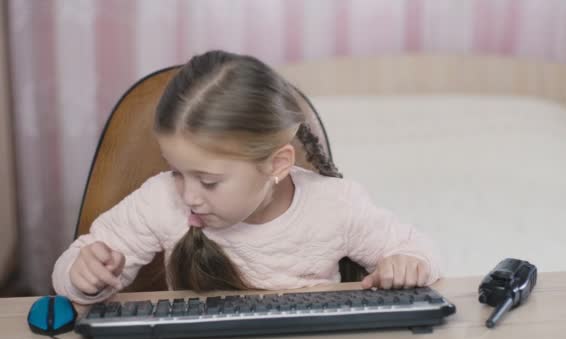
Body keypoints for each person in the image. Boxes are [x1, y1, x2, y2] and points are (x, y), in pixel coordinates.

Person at [52, 50, 441, 304]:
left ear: (276, 165)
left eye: (208, 181)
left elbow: (422, 253)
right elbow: (74, 265)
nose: (188, 196)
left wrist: (408, 264)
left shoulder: (335, 205)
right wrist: (83, 275)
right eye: (176, 171)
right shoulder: (161, 200)